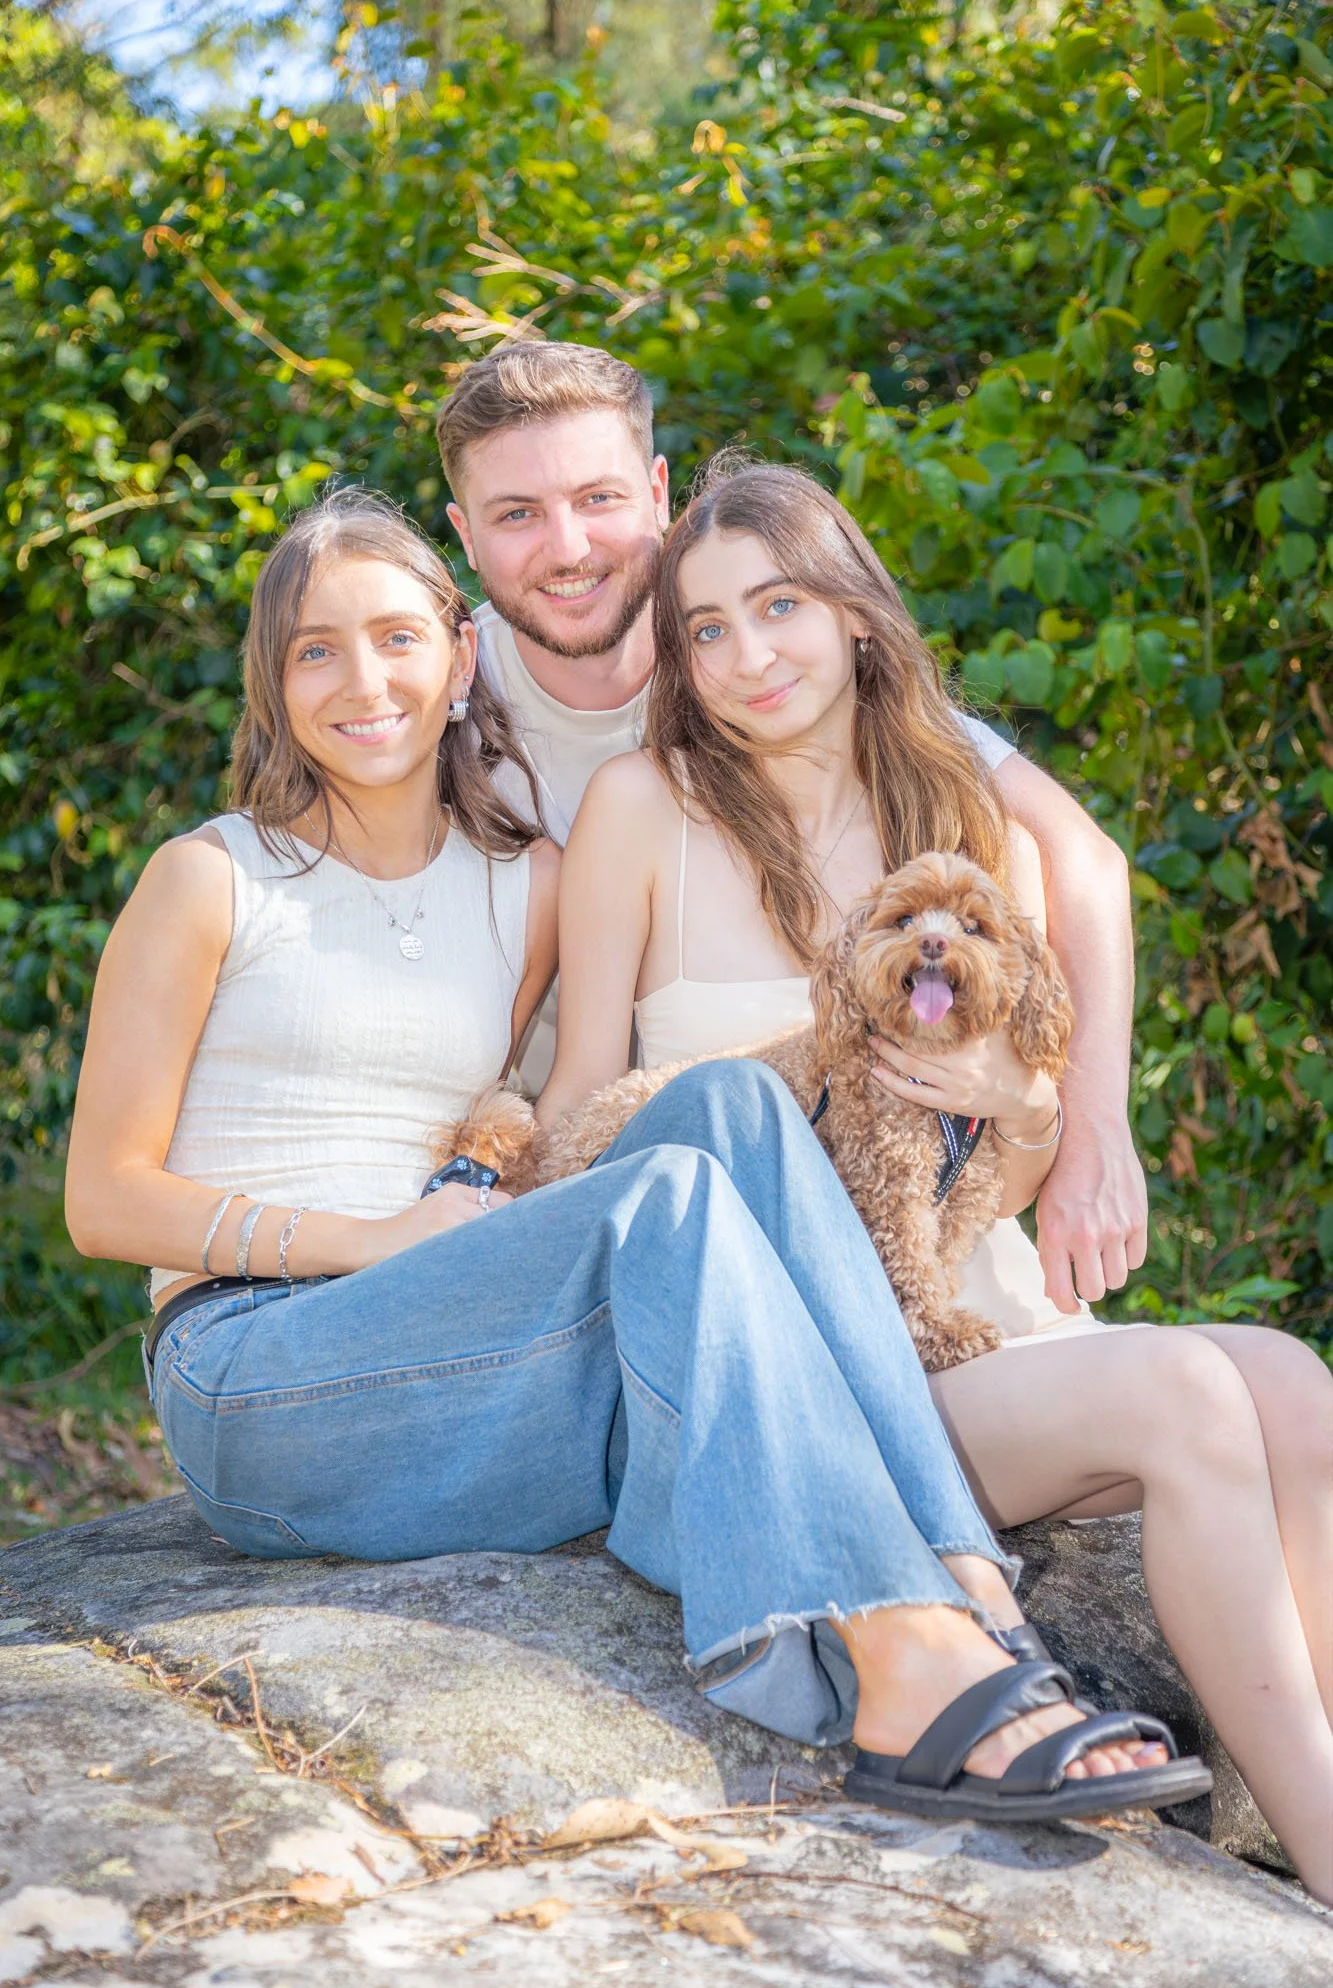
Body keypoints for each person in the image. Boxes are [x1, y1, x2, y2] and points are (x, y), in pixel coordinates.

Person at [64, 486, 1205, 1828]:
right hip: (262, 1369)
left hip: (469, 1340)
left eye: (393, 639)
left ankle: (965, 1582)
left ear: (459, 657)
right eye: (314, 648)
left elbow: (559, 1110)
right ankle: (903, 1663)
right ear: (272, 680)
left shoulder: (531, 881)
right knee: (669, 1193)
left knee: (735, 1108)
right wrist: (366, 1241)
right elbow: (102, 1202)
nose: (361, 681)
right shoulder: (213, 878)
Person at [539, 459, 1333, 1900]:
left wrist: (1019, 1102)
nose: (744, 655)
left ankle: (1300, 1806)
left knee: (1291, 1379)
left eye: (776, 605)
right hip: (812, 1370)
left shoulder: (968, 815)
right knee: (1185, 1394)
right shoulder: (638, 811)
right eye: (703, 627)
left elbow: (1010, 1160)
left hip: (971, 1316)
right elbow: (583, 1109)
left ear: (852, 613)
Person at [436, 338, 1143, 1325]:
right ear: (465, 535)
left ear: (656, 494)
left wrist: (1080, 1123)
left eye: (596, 498)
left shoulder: (839, 716)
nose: (567, 547)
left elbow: (1081, 859)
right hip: (656, 1211)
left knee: (1273, 1399)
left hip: (912, 1247)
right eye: (518, 513)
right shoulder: (433, 708)